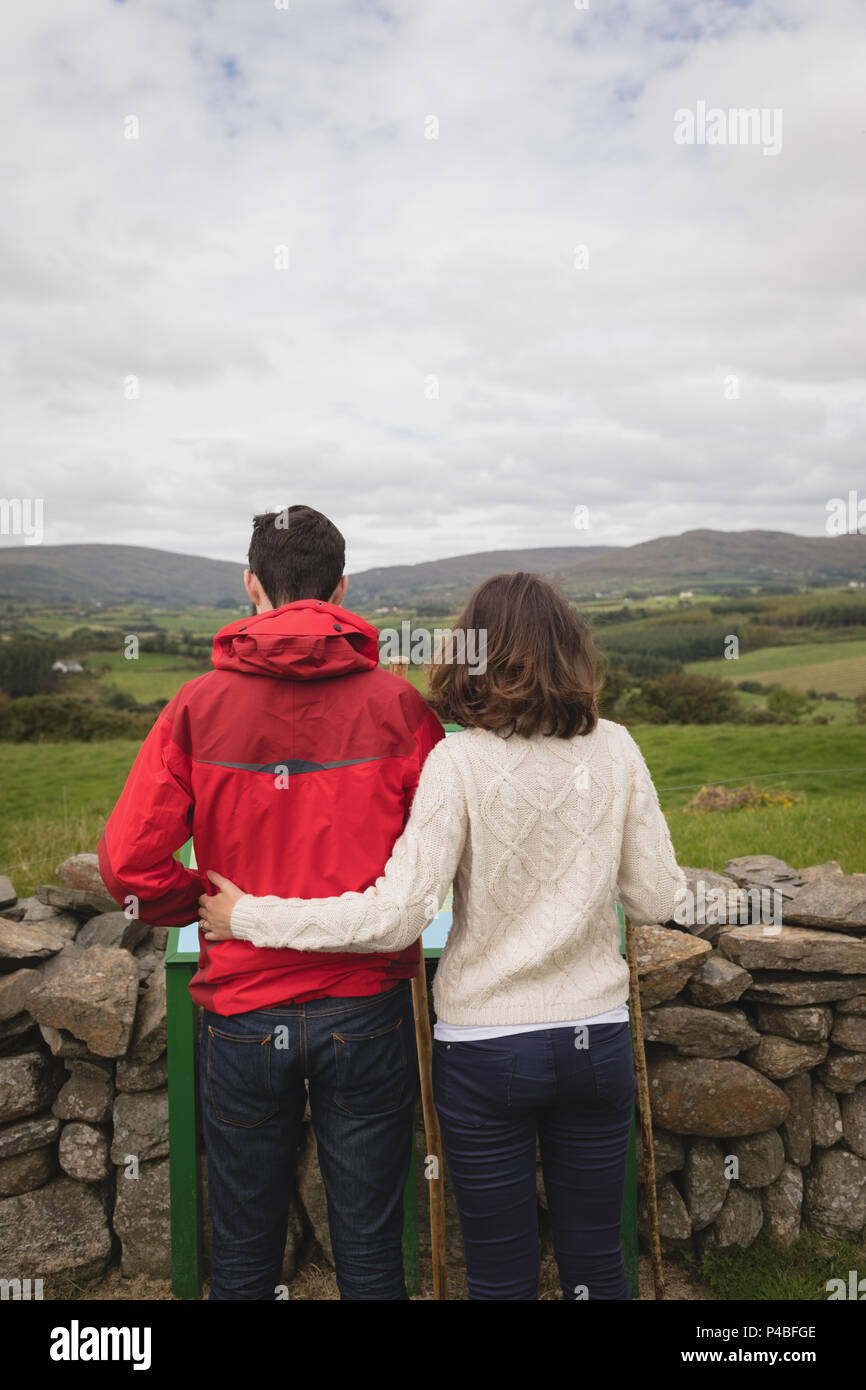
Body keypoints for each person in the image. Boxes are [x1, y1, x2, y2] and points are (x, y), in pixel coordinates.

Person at [199, 570, 687, 1301]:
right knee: (598, 1268)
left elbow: (398, 916)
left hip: (487, 1050)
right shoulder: (616, 748)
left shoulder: (456, 762)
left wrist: (249, 917)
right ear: (571, 652)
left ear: (472, 655)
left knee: (499, 1275)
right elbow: (655, 898)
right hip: (597, 1040)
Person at [98, 506, 444, 1300]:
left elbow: (126, 863)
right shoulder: (400, 709)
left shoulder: (196, 706)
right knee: (370, 1250)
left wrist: (200, 904)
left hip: (245, 1011)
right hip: (368, 1005)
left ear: (250, 586)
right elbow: (444, 856)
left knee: (245, 1252)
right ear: (342, 589)